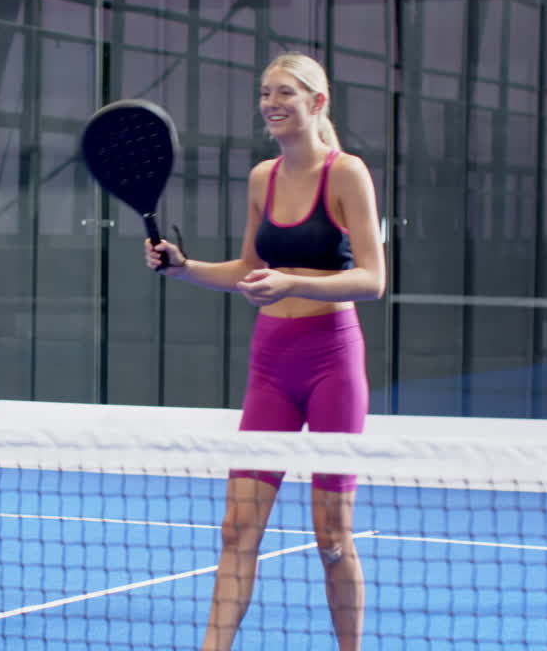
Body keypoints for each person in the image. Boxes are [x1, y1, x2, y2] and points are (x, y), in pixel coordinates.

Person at [145, 53, 384, 650]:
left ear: (317, 103)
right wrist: (185, 267)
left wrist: (295, 282)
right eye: (265, 93)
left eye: (285, 93)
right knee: (236, 529)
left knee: (331, 536)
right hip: (272, 365)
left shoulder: (347, 173)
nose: (271, 104)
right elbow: (251, 269)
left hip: (333, 360)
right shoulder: (262, 178)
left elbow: (374, 280)